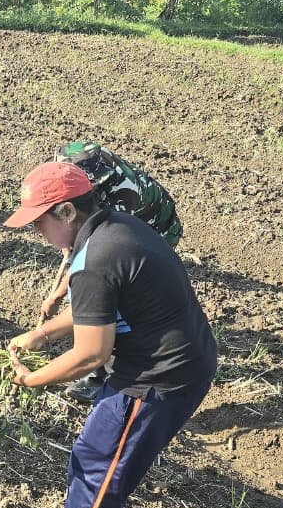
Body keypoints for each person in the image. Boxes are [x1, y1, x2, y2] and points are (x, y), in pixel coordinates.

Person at [3, 163, 217, 508]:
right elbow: (96, 308)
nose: (37, 232)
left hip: (158, 377)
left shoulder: (95, 260)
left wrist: (31, 379)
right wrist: (42, 333)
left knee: (97, 461)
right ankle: (101, 507)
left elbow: (90, 355)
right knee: (103, 452)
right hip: (180, 358)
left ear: (67, 212)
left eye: (40, 222)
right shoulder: (114, 228)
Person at [42, 141, 184, 401]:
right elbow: (74, 234)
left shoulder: (122, 197)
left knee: (112, 299)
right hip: (116, 230)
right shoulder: (73, 167)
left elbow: (97, 257)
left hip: (157, 229)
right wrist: (68, 247)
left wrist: (58, 295)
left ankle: (99, 375)